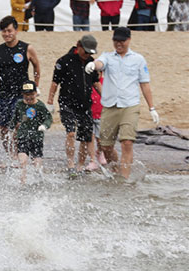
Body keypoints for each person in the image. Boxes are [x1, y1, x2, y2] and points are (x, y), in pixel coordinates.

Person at [84, 27, 158, 180]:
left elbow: (145, 84)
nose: (119, 44)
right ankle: (117, 170)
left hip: (130, 105)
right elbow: (100, 63)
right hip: (110, 106)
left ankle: (124, 179)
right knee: (106, 146)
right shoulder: (108, 56)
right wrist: (93, 65)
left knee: (127, 142)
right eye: (116, 41)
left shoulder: (138, 59)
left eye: (122, 41)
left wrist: (152, 108)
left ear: (129, 40)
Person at [0, 16, 41, 158]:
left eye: (9, 31)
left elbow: (36, 67)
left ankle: (19, 154)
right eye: (4, 31)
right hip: (4, 93)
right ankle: (10, 155)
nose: (7, 34)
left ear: (16, 31)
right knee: (4, 127)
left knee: (18, 126)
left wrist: (37, 86)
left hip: (22, 95)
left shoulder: (27, 48)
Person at [47, 35, 101, 177]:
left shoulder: (91, 62)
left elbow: (96, 82)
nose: (88, 55)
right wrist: (49, 102)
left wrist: (106, 98)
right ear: (78, 46)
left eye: (91, 53)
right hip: (67, 102)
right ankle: (70, 163)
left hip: (84, 104)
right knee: (71, 132)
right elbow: (54, 83)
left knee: (86, 136)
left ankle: (80, 165)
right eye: (86, 51)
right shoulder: (64, 61)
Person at [12, 81, 52, 184]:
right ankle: (23, 179)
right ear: (22, 95)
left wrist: (44, 126)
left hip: (37, 136)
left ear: (35, 93)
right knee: (23, 159)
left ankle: (38, 178)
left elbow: (48, 118)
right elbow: (15, 118)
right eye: (26, 95)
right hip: (23, 135)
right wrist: (12, 127)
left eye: (31, 95)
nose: (29, 98)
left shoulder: (40, 106)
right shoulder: (19, 104)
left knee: (36, 161)